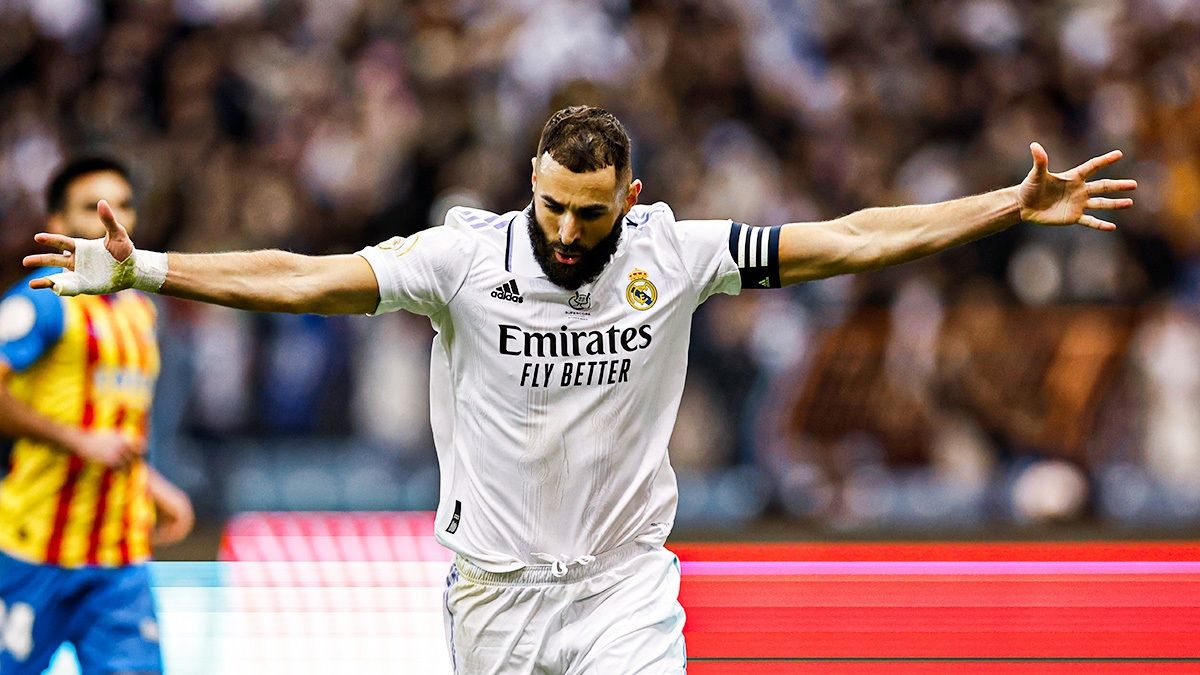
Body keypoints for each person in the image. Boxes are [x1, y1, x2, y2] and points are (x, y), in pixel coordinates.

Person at [23, 107, 1135, 673]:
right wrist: (148, 267)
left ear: (630, 198)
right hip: (493, 593)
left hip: (621, 590)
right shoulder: (463, 260)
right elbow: (304, 275)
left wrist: (1001, 205)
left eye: (588, 212)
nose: (564, 230)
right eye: (550, 205)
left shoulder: (678, 253)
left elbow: (848, 237)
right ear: (532, 188)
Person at [1, 156, 194, 674]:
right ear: (58, 226)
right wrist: (76, 440)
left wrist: (151, 486)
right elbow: (87, 435)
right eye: (93, 208)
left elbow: (117, 427)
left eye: (125, 205)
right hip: (33, 548)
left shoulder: (141, 311)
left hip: (119, 558)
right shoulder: (42, 303)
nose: (114, 217)